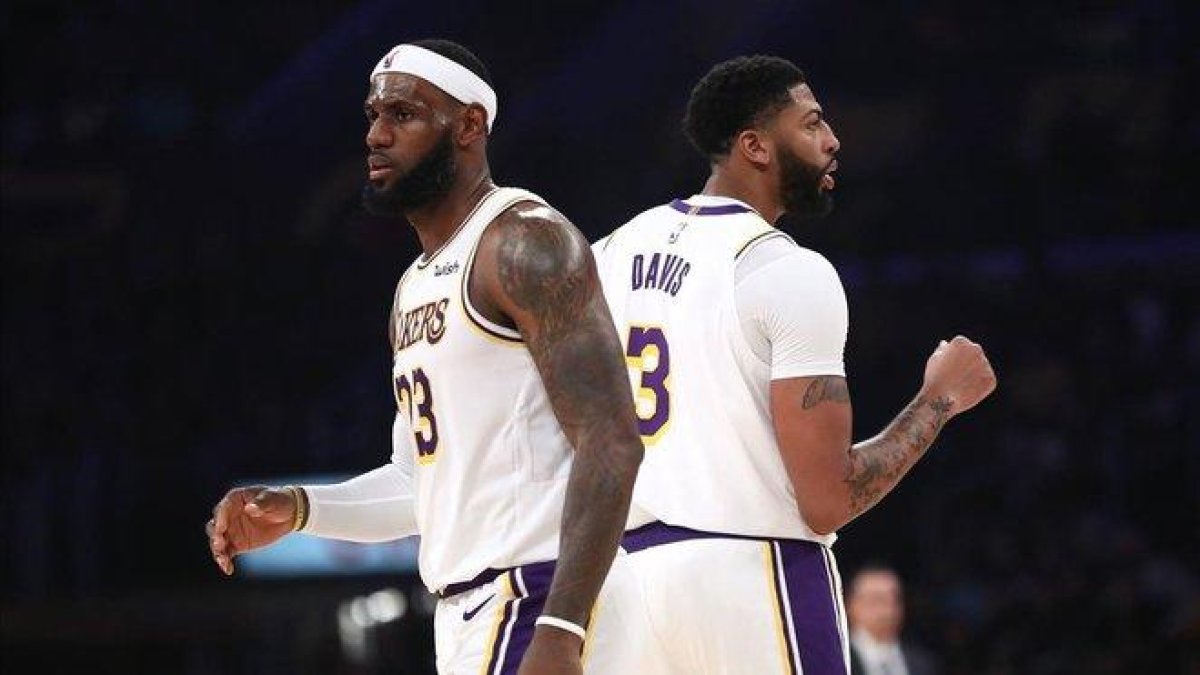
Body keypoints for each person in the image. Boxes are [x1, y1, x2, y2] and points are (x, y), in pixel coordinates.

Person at [205, 39, 645, 675]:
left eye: (403, 115)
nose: (377, 136)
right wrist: (302, 508)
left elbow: (612, 439)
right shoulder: (417, 283)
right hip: (475, 611)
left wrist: (562, 626)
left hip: (539, 597)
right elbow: (419, 484)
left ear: (470, 124)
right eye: (373, 116)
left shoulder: (525, 242)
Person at [592, 55, 997, 674]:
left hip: (624, 588)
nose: (833, 141)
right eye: (811, 124)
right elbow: (827, 499)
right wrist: (939, 399)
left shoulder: (608, 252)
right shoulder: (786, 269)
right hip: (749, 576)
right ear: (755, 146)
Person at [846, 566, 939, 675]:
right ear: (851, 605)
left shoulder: (923, 663)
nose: (889, 611)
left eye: (896, 600)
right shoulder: (837, 661)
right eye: (877, 600)